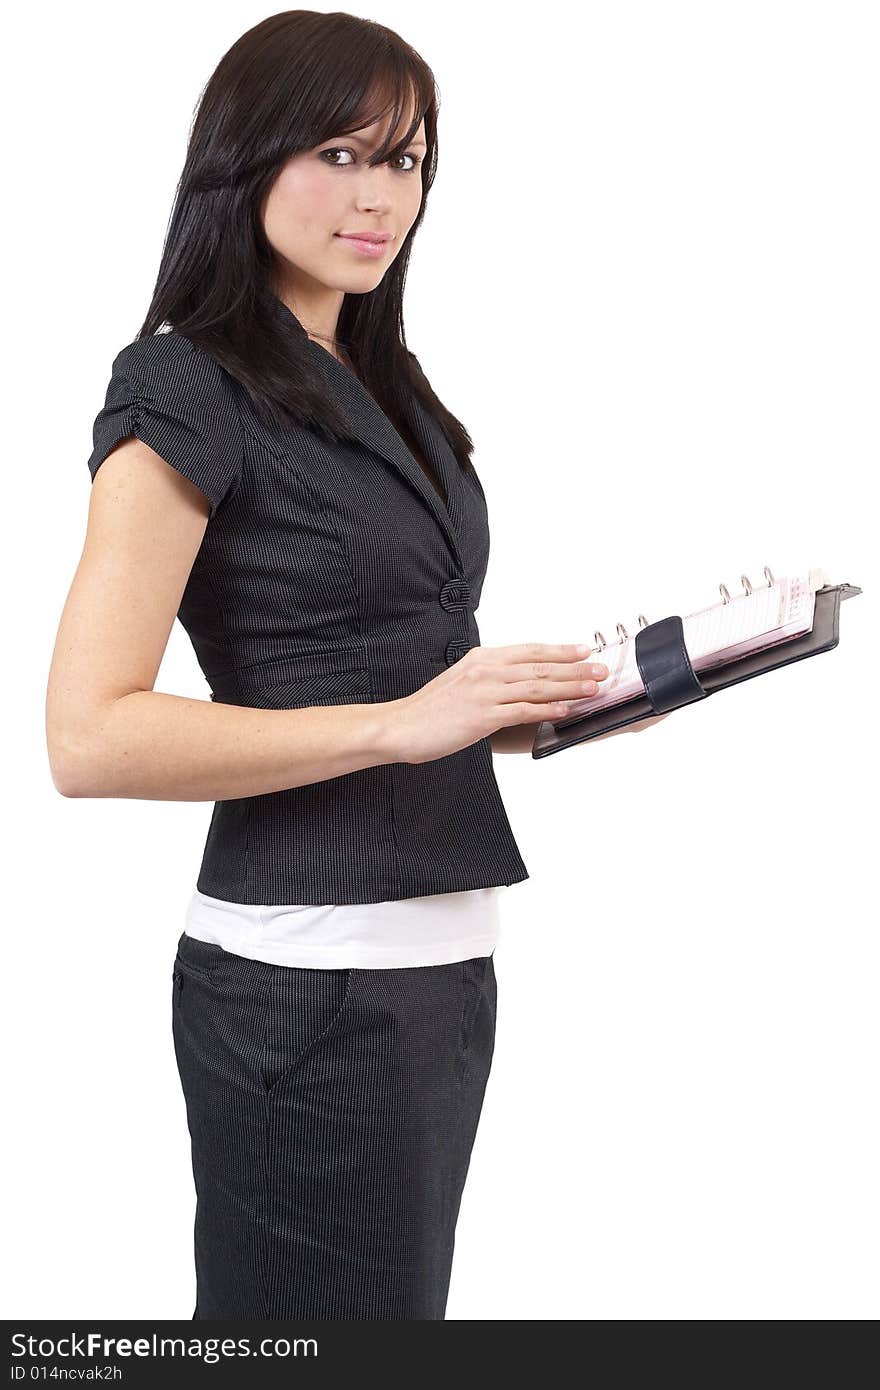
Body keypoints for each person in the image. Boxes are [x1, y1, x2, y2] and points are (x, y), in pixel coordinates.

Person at [45, 11, 658, 1320]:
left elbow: (400, 675)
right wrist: (402, 724)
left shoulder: (384, 381)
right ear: (244, 158)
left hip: (436, 971)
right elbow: (89, 736)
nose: (382, 196)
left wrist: (541, 707)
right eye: (341, 151)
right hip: (311, 982)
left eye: (410, 161)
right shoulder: (183, 383)